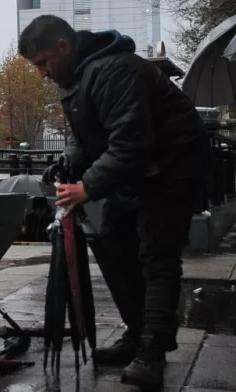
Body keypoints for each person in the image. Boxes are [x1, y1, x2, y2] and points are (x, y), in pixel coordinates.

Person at [19, 15, 210, 390]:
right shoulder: (77, 78)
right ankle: (138, 335)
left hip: (172, 166)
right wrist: (68, 162)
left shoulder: (113, 71)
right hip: (137, 170)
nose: (41, 73)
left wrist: (86, 187)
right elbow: (87, 137)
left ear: (63, 47)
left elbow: (130, 144)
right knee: (113, 242)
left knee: (157, 255)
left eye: (43, 63)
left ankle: (152, 354)